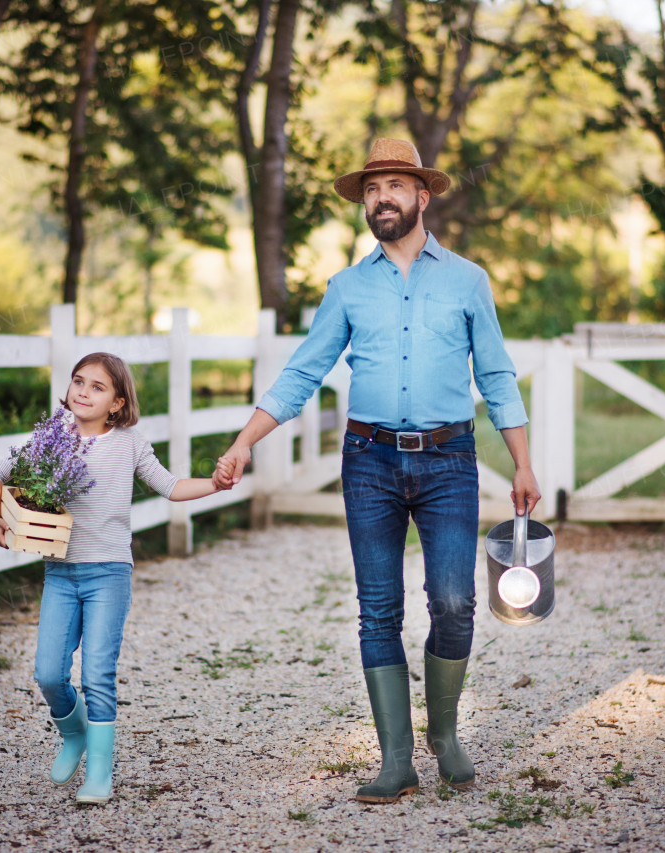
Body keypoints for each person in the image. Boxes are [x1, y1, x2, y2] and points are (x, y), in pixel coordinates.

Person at [215, 138, 541, 803]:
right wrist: (245, 440)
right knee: (378, 609)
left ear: (423, 196)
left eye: (393, 185)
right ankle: (396, 759)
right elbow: (304, 370)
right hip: (368, 462)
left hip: (450, 460)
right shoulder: (347, 288)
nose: (381, 197)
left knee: (453, 601)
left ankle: (444, 734)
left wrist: (523, 461)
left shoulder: (467, 280)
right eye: (370, 188)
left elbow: (499, 374)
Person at [0, 353, 222, 805]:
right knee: (49, 673)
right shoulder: (54, 438)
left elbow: (170, 487)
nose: (83, 392)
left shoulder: (129, 442)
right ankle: (73, 734)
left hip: (109, 573)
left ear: (117, 402)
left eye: (97, 387)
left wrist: (215, 484)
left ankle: (99, 772)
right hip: (60, 572)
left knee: (97, 673)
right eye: (78, 382)